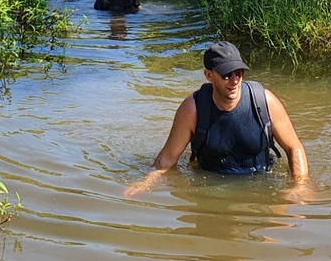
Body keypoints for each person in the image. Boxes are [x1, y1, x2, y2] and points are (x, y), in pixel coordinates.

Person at [124, 42, 308, 197]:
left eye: (239, 73)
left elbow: (294, 147)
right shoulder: (192, 109)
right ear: (209, 75)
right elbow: (166, 159)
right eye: (226, 74)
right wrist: (146, 182)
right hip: (210, 187)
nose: (235, 80)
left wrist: (300, 187)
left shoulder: (264, 101)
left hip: (261, 182)